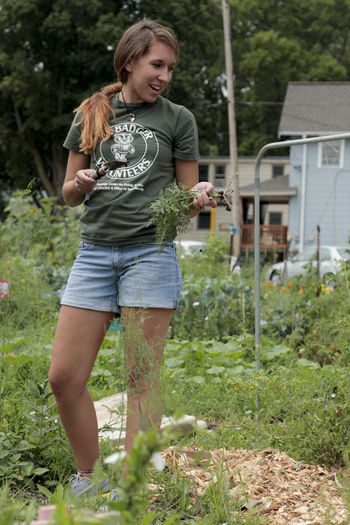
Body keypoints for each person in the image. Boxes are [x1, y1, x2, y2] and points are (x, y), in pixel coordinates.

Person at [49, 18, 217, 499]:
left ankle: (131, 484)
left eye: (171, 68)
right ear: (129, 62)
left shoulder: (177, 118)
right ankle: (89, 475)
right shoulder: (91, 114)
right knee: (64, 377)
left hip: (151, 254)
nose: (164, 75)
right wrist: (78, 185)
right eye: (156, 64)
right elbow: (67, 193)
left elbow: (187, 195)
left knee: (141, 375)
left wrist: (199, 196)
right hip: (95, 255)